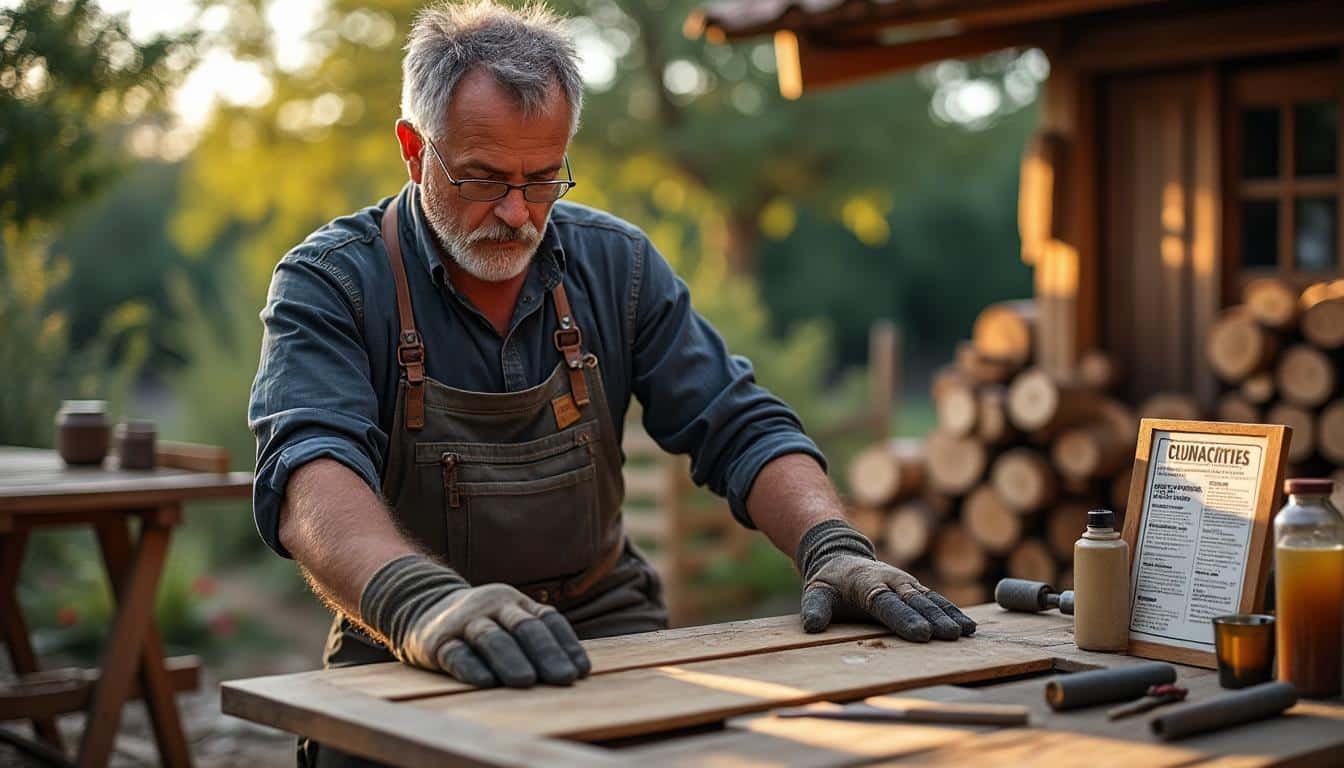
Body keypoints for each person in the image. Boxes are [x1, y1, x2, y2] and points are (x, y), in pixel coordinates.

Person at [249, 2, 975, 763]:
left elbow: (738, 424)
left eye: (542, 179)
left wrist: (833, 546)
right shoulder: (332, 282)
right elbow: (310, 474)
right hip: (401, 632)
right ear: (411, 148)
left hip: (600, 622)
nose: (517, 212)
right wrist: (418, 604)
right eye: (483, 177)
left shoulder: (616, 266)